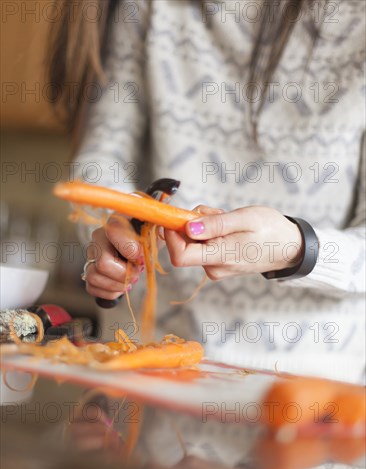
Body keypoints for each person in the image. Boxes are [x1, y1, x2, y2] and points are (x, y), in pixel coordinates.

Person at [50, 0, 365, 384]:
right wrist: (110, 228)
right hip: (144, 373)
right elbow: (102, 159)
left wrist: (297, 248)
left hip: (309, 394)